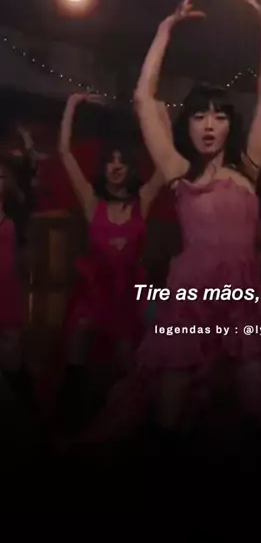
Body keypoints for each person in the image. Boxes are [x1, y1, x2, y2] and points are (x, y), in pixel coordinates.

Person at [82, 0, 261, 448]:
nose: (208, 125)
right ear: (186, 125)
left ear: (230, 124)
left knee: (255, 409)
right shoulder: (177, 173)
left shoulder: (248, 168)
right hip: (188, 302)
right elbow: (143, 98)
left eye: (218, 116)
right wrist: (164, 30)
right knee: (168, 414)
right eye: (198, 117)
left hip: (241, 301)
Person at [57, 92, 164, 429]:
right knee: (76, 351)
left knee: (127, 366)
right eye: (110, 161)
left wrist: (159, 112)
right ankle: (71, 419)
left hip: (129, 296)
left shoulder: (142, 199)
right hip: (94, 292)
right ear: (103, 167)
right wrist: (73, 104)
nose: (116, 166)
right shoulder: (92, 202)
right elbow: (64, 153)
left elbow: (166, 164)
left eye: (122, 161)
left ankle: (131, 424)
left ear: (129, 166)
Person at [0, 154, 31, 409]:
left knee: (13, 359)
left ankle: (28, 410)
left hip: (7, 293)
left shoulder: (16, 213)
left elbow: (23, 254)